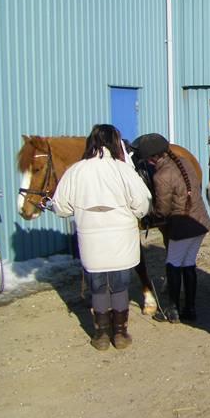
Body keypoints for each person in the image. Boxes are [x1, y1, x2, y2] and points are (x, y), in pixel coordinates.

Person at [51, 124, 152, 350]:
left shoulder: (76, 171)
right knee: (119, 286)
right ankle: (120, 333)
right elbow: (142, 204)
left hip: (91, 239)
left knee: (98, 286)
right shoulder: (123, 170)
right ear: (115, 143)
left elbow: (61, 207)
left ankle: (101, 335)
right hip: (121, 239)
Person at [133, 133, 210, 323]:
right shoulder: (184, 162)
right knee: (189, 264)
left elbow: (162, 209)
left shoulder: (161, 175)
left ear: (152, 157)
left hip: (182, 227)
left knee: (173, 264)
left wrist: (150, 218)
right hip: (200, 222)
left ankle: (172, 309)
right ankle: (190, 309)